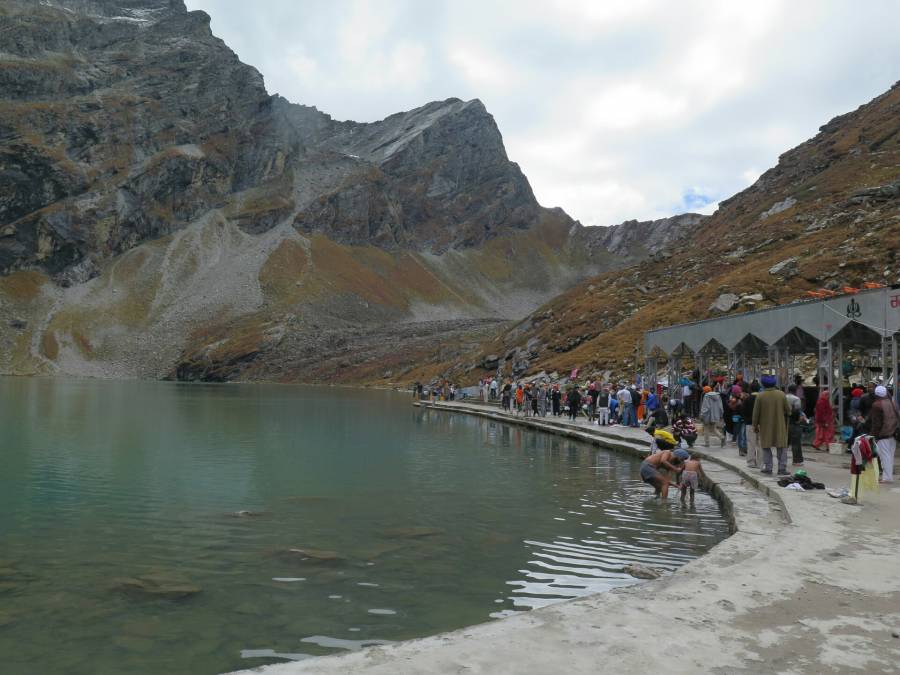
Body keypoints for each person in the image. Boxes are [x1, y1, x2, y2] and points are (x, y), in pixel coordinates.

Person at [752, 375, 791, 475]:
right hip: (780, 425)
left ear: (763, 384)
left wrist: (755, 425)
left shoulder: (760, 396)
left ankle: (768, 467)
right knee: (781, 447)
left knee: (766, 446)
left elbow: (756, 413)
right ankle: (782, 468)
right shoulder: (781, 394)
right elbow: (788, 410)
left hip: (765, 426)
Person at [869, 385, 898, 483]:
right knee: (890, 456)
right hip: (894, 434)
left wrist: (873, 436)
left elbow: (876, 423)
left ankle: (887, 478)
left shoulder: (877, 405)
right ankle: (888, 476)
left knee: (884, 457)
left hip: (883, 434)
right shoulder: (893, 402)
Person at [786, 384, 807, 466]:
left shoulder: (784, 397)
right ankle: (797, 461)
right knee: (796, 443)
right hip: (794, 423)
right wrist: (799, 419)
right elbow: (797, 411)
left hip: (785, 422)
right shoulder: (796, 399)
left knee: (784, 443)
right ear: (795, 390)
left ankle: (782, 460)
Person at [743, 381, 761, 468]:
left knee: (751, 443)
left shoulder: (747, 399)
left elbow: (743, 412)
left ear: (750, 389)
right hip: (762, 424)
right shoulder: (762, 398)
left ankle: (751, 462)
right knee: (761, 444)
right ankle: (761, 463)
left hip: (750, 424)